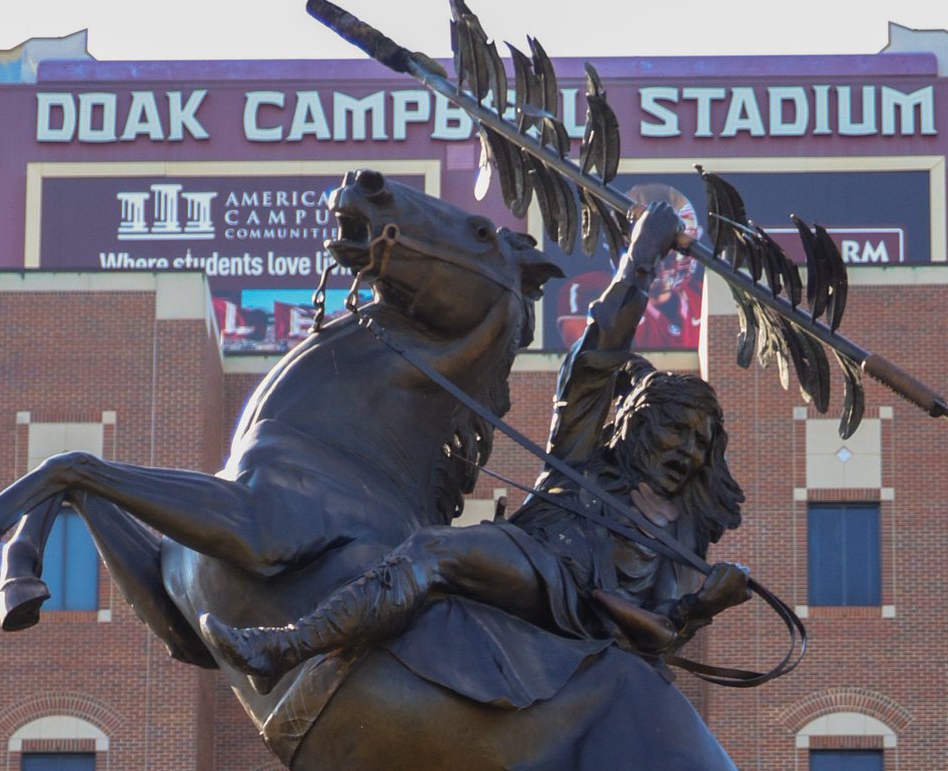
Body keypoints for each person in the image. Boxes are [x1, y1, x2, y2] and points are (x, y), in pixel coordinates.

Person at [206, 198, 756, 699]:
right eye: (675, 428)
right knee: (431, 552)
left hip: (589, 634)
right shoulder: (585, 457)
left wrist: (703, 606)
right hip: (538, 568)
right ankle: (284, 647)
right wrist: (642, 257)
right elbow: (598, 354)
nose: (686, 449)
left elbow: (658, 632)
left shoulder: (682, 534)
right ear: (637, 423)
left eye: (699, 442)